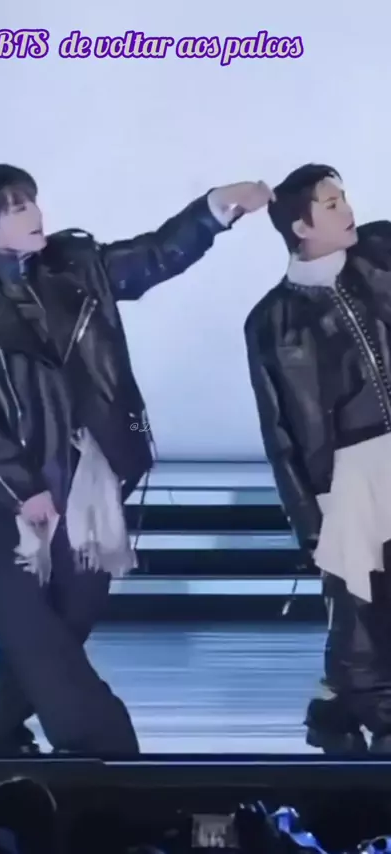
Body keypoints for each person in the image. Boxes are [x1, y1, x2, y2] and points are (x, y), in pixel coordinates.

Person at [0, 163, 273, 757]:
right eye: (17, 209)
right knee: (26, 623)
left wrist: (214, 209)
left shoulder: (78, 265)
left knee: (66, 622)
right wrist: (21, 488)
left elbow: (154, 256)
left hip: (92, 477)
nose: (35, 215)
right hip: (17, 490)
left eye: (32, 202)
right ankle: (104, 749)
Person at [244, 162, 391, 754]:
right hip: (347, 474)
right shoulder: (271, 320)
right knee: (360, 604)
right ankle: (372, 712)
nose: (346, 210)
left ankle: (336, 709)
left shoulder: (377, 260)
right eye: (331, 205)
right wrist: (309, 519)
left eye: (344, 199)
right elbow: (279, 430)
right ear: (301, 226)